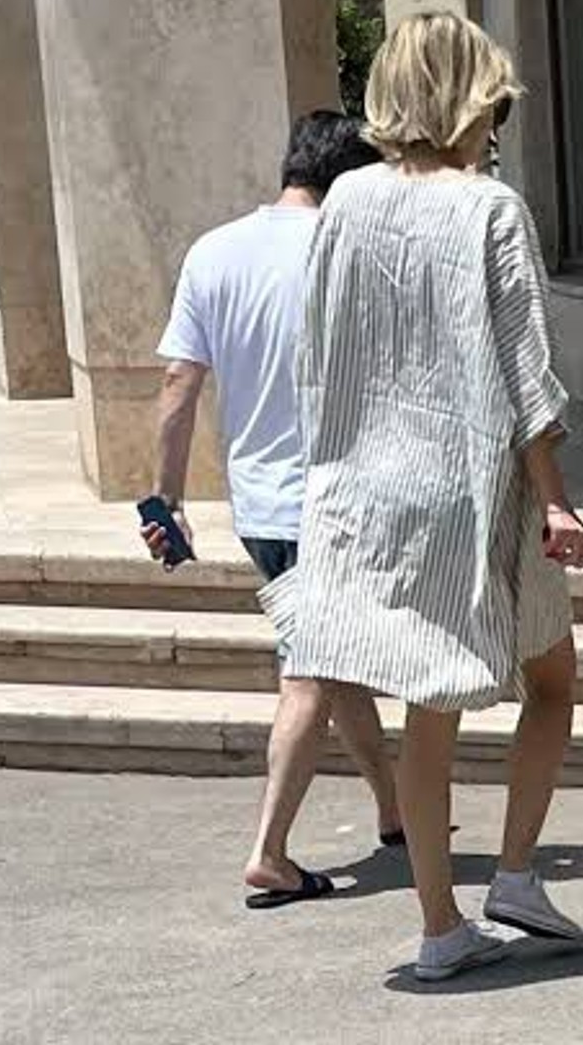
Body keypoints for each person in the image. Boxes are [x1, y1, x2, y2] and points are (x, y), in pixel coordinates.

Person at [262, 13, 583, 981]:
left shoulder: (348, 200)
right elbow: (525, 371)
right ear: (466, 102)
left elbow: (318, 347)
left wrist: (327, 470)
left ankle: (444, 922)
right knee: (552, 684)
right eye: (492, 105)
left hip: (369, 491)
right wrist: (556, 500)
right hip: (474, 490)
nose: (494, 123)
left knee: (427, 711)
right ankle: (514, 874)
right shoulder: (489, 208)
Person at [144, 110, 401, 908]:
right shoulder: (352, 250)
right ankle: (270, 852)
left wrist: (166, 498)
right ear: (352, 179)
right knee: (310, 674)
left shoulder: (213, 251)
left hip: (258, 506)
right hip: (335, 500)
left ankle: (394, 809)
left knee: (332, 662)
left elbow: (179, 383)